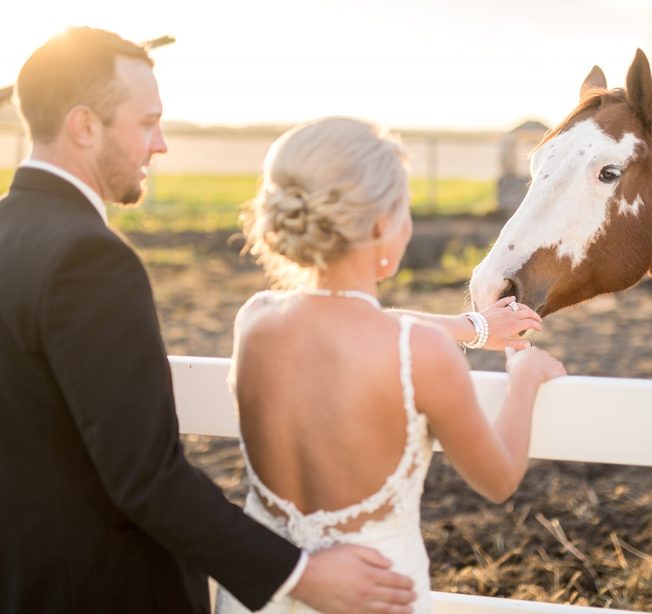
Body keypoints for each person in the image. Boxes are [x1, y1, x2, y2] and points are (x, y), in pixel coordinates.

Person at [0, 27, 419, 614]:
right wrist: (298, 574)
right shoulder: (88, 260)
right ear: (84, 126)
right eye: (147, 122)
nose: (161, 144)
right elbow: (145, 476)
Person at [215, 117, 567, 614]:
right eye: (405, 206)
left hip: (259, 599)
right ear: (382, 225)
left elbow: (351, 319)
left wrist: (474, 327)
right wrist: (525, 381)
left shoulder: (255, 319)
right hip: (375, 598)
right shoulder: (422, 354)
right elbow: (500, 479)